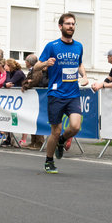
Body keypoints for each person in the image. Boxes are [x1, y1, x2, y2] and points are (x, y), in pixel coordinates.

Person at [34, 13, 89, 173]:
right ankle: (49, 161)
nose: (71, 26)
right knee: (55, 131)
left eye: (73, 24)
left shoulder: (78, 46)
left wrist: (84, 76)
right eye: (68, 24)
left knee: (75, 126)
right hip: (56, 94)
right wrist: (45, 63)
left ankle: (62, 141)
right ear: (60, 26)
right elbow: (36, 67)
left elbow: (79, 64)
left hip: (73, 94)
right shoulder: (52, 46)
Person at [20, 54, 48, 149]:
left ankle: (39, 142)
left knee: (38, 119)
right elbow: (25, 80)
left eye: (26, 61)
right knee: (32, 119)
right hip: (33, 99)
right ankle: (33, 141)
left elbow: (34, 81)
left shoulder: (37, 70)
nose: (25, 62)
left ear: (29, 62)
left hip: (38, 98)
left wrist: (27, 85)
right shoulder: (32, 70)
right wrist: (26, 83)